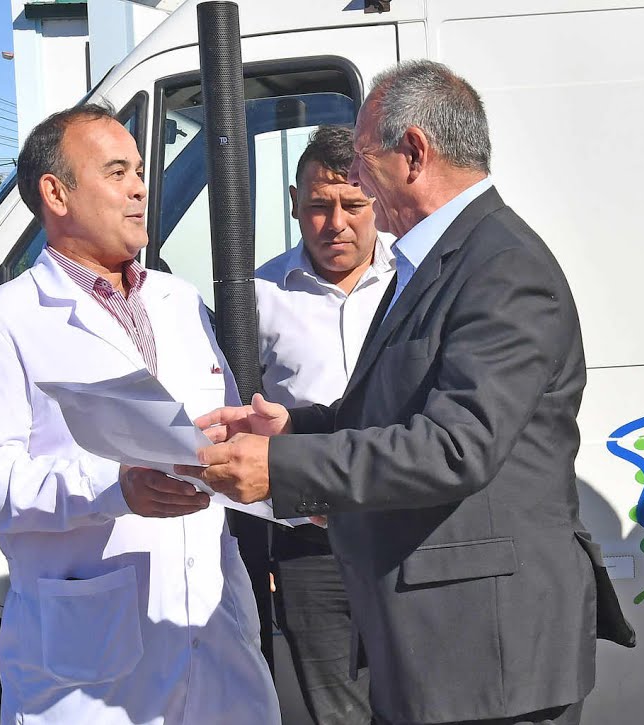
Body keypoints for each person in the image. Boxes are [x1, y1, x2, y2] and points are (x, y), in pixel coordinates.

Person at [183, 60, 621, 725]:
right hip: (444, 647)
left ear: (413, 152)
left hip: (487, 656)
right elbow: (400, 409)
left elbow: (456, 446)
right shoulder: (442, 260)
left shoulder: (501, 268)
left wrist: (282, 468)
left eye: (363, 161)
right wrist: (296, 430)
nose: (355, 184)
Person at [0, 104, 280, 725]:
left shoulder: (179, 301)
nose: (141, 188)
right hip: (89, 668)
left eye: (140, 172)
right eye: (117, 172)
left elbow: (212, 444)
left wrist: (255, 446)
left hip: (212, 638)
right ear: (56, 194)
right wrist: (111, 487)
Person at [256, 124, 390, 725]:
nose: (335, 223)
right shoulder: (257, 297)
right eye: (318, 206)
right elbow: (243, 425)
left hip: (402, 535)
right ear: (294, 204)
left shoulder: (414, 282)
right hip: (308, 551)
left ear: (375, 200)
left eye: (352, 205)